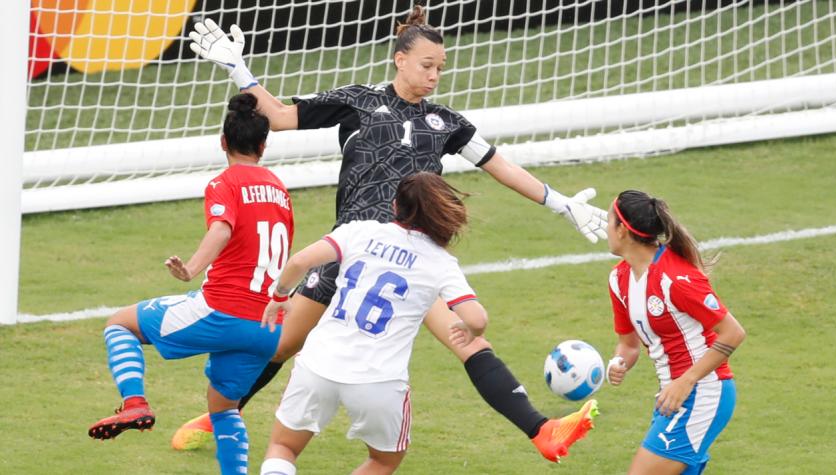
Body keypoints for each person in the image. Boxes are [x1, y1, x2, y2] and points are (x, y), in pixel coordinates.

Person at [180, 6, 606, 462]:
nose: (434, 76)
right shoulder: (357, 101)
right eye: (427, 65)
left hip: (414, 258)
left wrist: (561, 203)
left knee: (469, 343)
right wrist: (238, 69)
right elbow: (281, 116)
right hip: (348, 252)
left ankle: (543, 431)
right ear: (400, 59)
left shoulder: (447, 123)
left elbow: (500, 166)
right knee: (283, 343)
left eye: (440, 68)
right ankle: (219, 416)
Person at [87, 93, 295, 475]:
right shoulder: (280, 190)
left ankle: (134, 402)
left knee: (120, 323)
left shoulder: (225, 182)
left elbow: (221, 227)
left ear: (222, 141)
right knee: (224, 409)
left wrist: (193, 267)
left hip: (220, 310)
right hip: (265, 326)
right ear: (264, 146)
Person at [258, 172, 497, 474]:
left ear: (395, 207)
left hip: (318, 364)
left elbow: (298, 263)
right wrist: (471, 330)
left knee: (284, 447)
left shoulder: (359, 231)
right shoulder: (440, 262)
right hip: (379, 380)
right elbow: (477, 317)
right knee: (384, 460)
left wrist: (281, 295)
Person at [603, 190, 746, 475]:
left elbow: (733, 332)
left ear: (622, 230)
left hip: (702, 392)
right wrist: (618, 362)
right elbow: (628, 345)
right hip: (671, 397)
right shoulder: (619, 279)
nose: (605, 227)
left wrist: (686, 380)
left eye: (609, 220)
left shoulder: (675, 279)